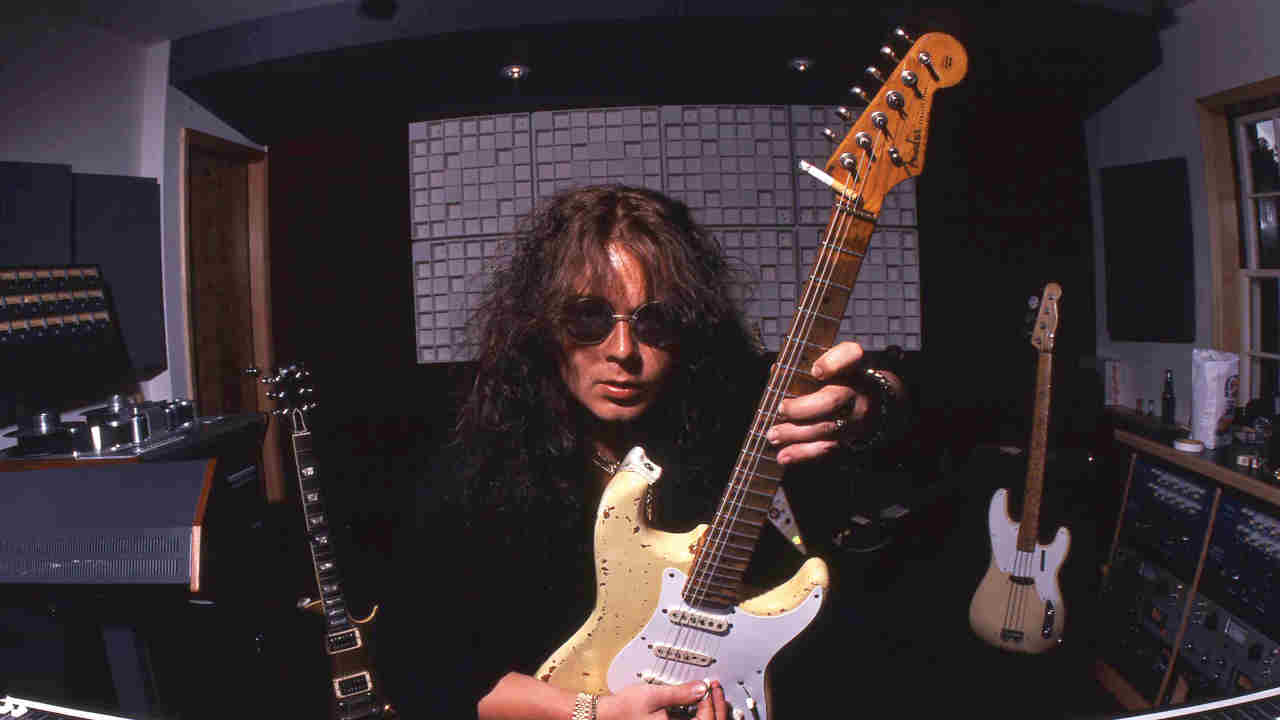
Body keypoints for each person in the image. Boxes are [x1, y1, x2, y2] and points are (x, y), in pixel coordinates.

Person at [384, 184, 906, 720]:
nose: (623, 351)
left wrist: (869, 404)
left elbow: (905, 424)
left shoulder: (738, 417)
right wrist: (594, 713)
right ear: (542, 322)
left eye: (654, 322)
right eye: (588, 318)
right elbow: (433, 668)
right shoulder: (479, 464)